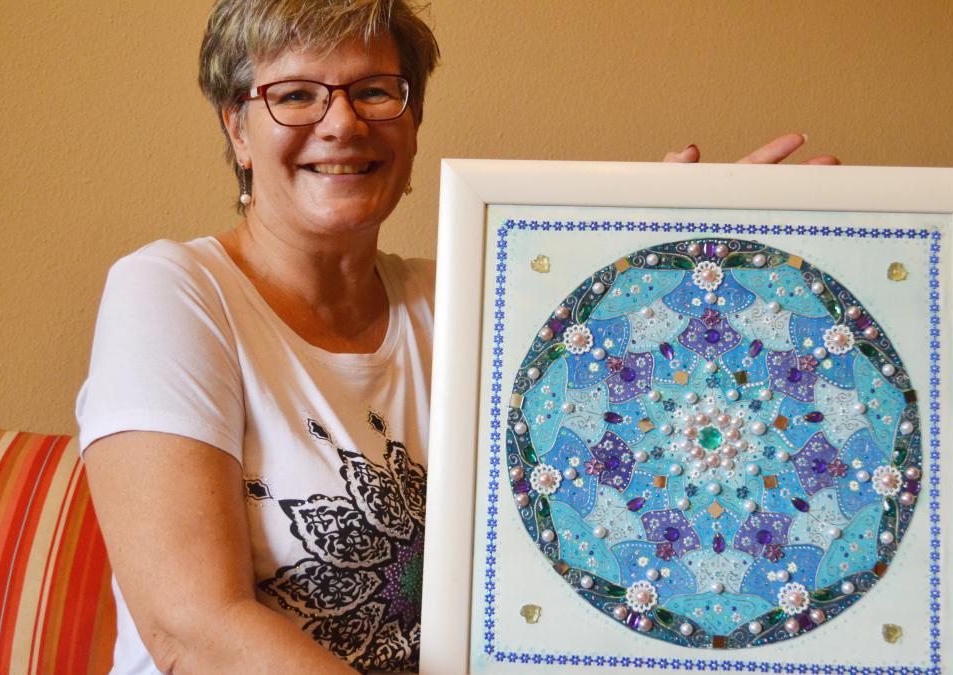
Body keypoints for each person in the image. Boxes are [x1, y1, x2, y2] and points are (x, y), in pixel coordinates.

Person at [77, 1, 839, 673]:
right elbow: (194, 632)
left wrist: (703, 249)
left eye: (376, 91)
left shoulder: (469, 299)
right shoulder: (174, 292)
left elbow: (639, 445)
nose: (341, 122)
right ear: (236, 128)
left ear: (412, 124)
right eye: (296, 95)